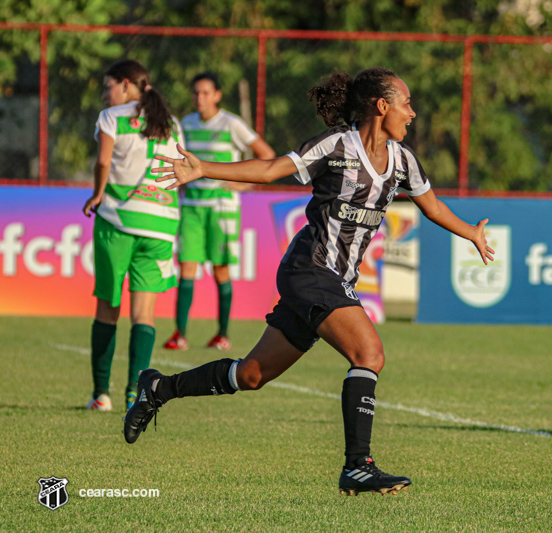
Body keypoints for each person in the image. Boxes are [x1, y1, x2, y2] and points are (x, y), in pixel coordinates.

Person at [124, 67, 494, 495]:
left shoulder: (404, 161)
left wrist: (471, 232)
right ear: (382, 105)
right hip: (310, 270)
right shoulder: (337, 146)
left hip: (333, 281)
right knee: (369, 353)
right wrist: (203, 168)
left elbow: (431, 207)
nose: (412, 113)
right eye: (406, 103)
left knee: (250, 375)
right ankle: (358, 465)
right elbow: (269, 169)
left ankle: (158, 388)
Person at [82, 59, 185, 412]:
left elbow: (102, 163)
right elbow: (182, 169)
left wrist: (97, 193)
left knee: (108, 307)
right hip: (161, 225)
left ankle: (101, 395)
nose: (105, 92)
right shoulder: (170, 122)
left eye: (108, 85)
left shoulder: (111, 117)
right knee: (144, 314)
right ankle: (134, 393)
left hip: (118, 220)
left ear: (126, 84)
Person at [164, 72, 276, 352]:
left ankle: (222, 334)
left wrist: (244, 183)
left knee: (220, 269)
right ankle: (180, 334)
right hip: (191, 207)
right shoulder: (186, 123)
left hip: (221, 209)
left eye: (205, 93)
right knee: (186, 268)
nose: (199, 98)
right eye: (195, 93)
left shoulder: (231, 123)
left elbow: (267, 155)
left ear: (217, 95)